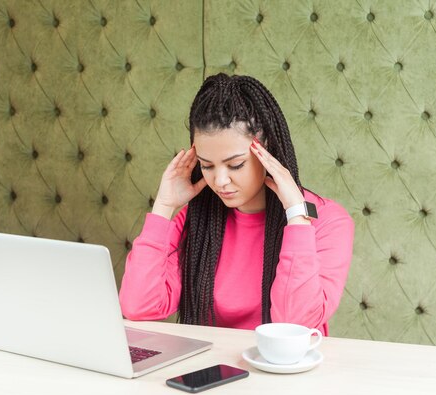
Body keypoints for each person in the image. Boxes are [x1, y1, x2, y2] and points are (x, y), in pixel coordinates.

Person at [119, 73, 354, 336]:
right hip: (210, 369)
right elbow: (138, 306)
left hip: (284, 374)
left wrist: (297, 218)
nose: (219, 181)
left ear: (268, 152)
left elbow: (295, 325)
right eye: (207, 165)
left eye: (235, 165)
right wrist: (163, 207)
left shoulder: (328, 221)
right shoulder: (197, 219)